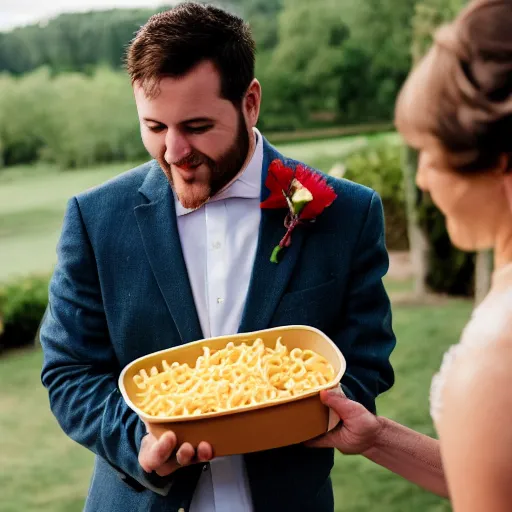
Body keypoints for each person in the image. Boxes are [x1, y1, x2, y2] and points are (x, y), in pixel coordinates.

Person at [39, 3, 396, 512]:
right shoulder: (95, 220)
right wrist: (137, 443)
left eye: (197, 125)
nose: (174, 151)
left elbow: (366, 355)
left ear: (250, 102)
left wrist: (320, 414)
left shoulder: (348, 213)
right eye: (155, 127)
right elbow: (69, 369)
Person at [307, 1, 512, 511]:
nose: (420, 179)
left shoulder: (498, 355)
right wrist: (376, 437)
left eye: (430, 154)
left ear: (501, 163)